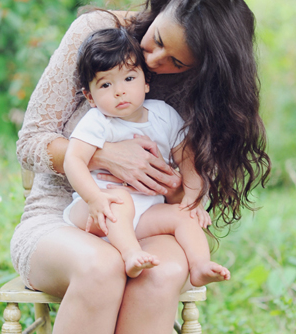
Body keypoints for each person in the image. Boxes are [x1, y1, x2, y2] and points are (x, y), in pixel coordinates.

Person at [10, 0, 269, 334]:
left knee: (163, 273)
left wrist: (188, 184)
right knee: (101, 265)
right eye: (159, 44)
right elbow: (30, 141)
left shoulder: (195, 86)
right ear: (175, 0)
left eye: (176, 63)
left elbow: (184, 181)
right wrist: (107, 156)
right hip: (61, 218)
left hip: (147, 220)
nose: (156, 62)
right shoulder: (99, 34)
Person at [62, 25, 231, 286]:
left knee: (183, 214)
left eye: (129, 79)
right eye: (106, 84)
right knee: (119, 200)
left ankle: (200, 265)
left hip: (144, 217)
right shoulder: (97, 121)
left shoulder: (164, 115)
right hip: (97, 214)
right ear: (90, 97)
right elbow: (73, 160)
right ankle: (131, 254)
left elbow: (188, 161)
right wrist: (94, 199)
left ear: (146, 82)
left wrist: (192, 198)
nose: (119, 91)